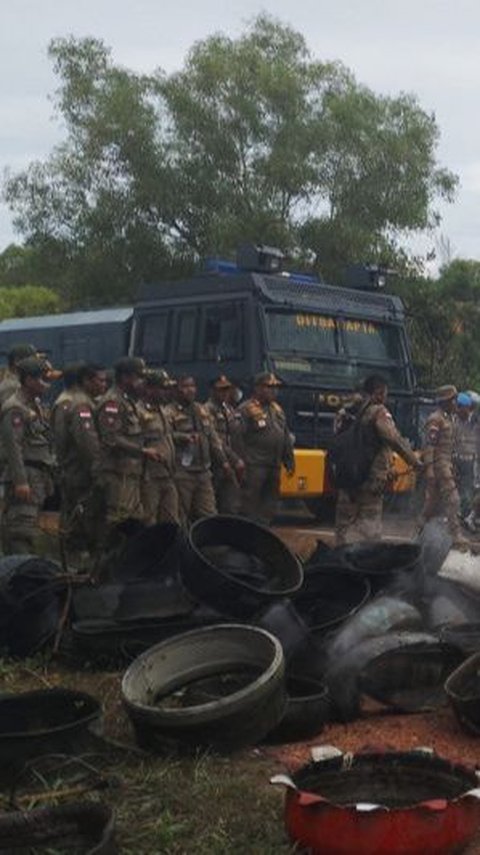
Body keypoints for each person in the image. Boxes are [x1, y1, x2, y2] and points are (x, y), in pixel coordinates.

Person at [334, 373, 422, 546]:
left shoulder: (345, 412)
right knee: (369, 527)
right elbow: (394, 439)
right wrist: (414, 461)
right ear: (379, 392)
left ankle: (339, 561)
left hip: (346, 477)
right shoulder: (378, 412)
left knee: (344, 524)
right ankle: (364, 564)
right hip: (370, 480)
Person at [96, 357, 160, 529]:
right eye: (139, 378)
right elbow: (111, 438)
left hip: (130, 473)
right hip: (117, 473)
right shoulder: (113, 402)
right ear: (125, 378)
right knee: (119, 522)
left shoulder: (127, 400)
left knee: (134, 522)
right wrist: (142, 450)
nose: (142, 383)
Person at [0, 357, 56, 553]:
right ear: (29, 380)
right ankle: (17, 571)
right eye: (42, 379)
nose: (46, 384)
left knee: (30, 527)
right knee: (21, 529)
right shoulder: (16, 408)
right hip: (27, 473)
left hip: (38, 475)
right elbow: (13, 446)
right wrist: (21, 481)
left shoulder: (35, 405)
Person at [57, 362, 107, 562]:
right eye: (100, 380)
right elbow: (88, 446)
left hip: (74, 471)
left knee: (77, 517)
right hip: (81, 473)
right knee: (84, 522)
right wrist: (99, 472)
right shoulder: (81, 405)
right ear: (86, 381)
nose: (104, 385)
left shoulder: (75, 401)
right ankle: (79, 566)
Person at [166, 375, 230, 524]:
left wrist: (224, 461)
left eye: (192, 386)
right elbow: (165, 436)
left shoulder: (201, 410)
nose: (190, 390)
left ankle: (209, 546)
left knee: (209, 514)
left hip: (203, 472)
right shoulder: (169, 412)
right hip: (182, 472)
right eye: (185, 386)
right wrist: (181, 437)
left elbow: (213, 438)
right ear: (176, 390)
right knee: (181, 514)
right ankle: (182, 545)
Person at [237, 372, 295, 526]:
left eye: (276, 387)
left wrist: (289, 460)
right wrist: (240, 461)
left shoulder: (277, 409)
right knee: (249, 504)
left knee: (270, 503)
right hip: (254, 465)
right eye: (269, 387)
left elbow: (285, 436)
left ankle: (263, 532)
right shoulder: (246, 409)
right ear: (257, 388)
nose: (274, 390)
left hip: (273, 465)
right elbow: (237, 438)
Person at [421, 384, 469, 548]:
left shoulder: (448, 418)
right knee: (453, 500)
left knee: (432, 504)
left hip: (446, 464)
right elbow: (429, 445)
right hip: (439, 464)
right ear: (446, 401)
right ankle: (455, 534)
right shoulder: (436, 419)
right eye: (453, 400)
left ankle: (420, 531)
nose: (456, 403)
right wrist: (429, 468)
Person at [140, 370, 179, 525]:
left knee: (171, 520)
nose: (167, 392)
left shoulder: (163, 410)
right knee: (148, 520)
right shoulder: (139, 412)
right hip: (149, 477)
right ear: (150, 389)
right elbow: (134, 442)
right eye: (163, 388)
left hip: (168, 474)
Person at [204, 375, 245, 514]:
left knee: (231, 505)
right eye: (221, 389)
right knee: (212, 505)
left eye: (227, 389)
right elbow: (216, 439)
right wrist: (234, 460)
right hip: (216, 463)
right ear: (212, 391)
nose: (225, 393)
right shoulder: (207, 409)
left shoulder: (228, 409)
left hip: (229, 463)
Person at [454, 392, 476, 522]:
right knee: (454, 488)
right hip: (456, 459)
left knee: (468, 489)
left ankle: (466, 514)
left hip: (469, 460)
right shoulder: (452, 420)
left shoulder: (474, 422)